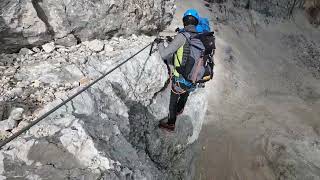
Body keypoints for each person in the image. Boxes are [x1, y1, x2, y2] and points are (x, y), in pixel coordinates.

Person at [154, 9, 201, 132]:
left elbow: (164, 54)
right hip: (193, 78)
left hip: (179, 78)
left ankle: (171, 123)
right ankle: (180, 109)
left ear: (184, 22)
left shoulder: (181, 36)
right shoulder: (201, 38)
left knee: (173, 102)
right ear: (196, 23)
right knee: (185, 93)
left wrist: (159, 43)